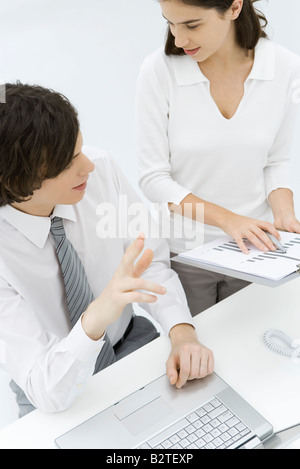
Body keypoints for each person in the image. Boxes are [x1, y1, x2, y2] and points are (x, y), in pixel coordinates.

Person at [0, 83, 214, 418]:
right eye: (68, 163)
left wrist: (181, 331)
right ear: (18, 183)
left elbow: (151, 262)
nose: (88, 166)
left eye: (80, 149)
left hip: (130, 344)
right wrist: (97, 315)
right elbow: (45, 387)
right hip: (53, 386)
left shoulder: (100, 172)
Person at [136, 0, 300, 316]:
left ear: (234, 7)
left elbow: (276, 160)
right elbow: (153, 179)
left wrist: (284, 216)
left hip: (256, 251)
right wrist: (229, 220)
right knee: (194, 353)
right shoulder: (159, 71)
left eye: (192, 25)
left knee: (251, 348)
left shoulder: (285, 68)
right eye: (170, 23)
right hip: (185, 251)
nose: (179, 39)